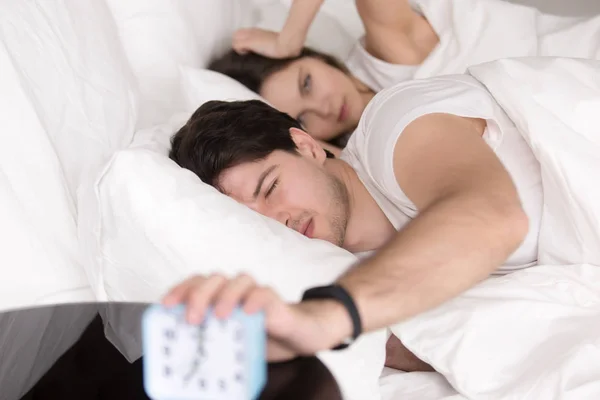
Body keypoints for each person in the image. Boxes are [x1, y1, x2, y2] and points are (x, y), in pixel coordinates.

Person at [165, 68, 547, 370]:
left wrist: (328, 318)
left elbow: (492, 217)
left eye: (270, 188)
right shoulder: (351, 269)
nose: (278, 218)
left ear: (307, 146)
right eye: (255, 219)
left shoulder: (394, 129)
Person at [210, 0, 600, 147]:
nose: (326, 108)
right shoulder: (371, 147)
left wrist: (287, 40)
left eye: (307, 82)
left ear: (316, 57)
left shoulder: (389, 51)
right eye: (302, 118)